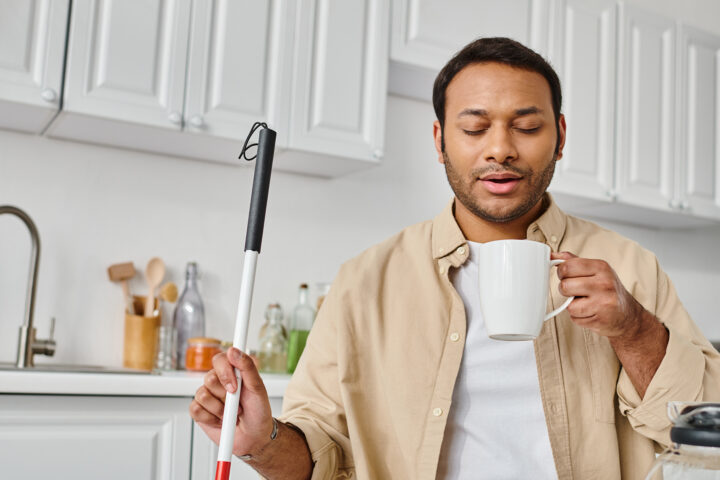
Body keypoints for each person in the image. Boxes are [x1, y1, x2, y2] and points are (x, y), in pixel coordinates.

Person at [189, 37, 720, 479]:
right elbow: (321, 456)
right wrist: (262, 441)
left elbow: (703, 432)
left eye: (528, 127)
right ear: (441, 141)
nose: (500, 150)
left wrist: (634, 331)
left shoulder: (629, 267)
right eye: (474, 128)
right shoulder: (365, 281)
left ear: (560, 137)